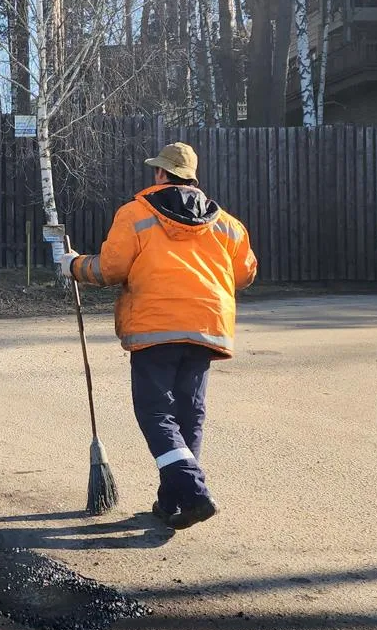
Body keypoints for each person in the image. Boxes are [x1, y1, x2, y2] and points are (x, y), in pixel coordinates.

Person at [60, 142, 257, 530]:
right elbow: (245, 273)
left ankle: (195, 493)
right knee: (189, 416)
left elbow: (110, 269)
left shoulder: (135, 213)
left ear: (161, 174)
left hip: (155, 326)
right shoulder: (228, 224)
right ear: (192, 177)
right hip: (207, 327)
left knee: (156, 414)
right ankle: (172, 503)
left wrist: (74, 265)